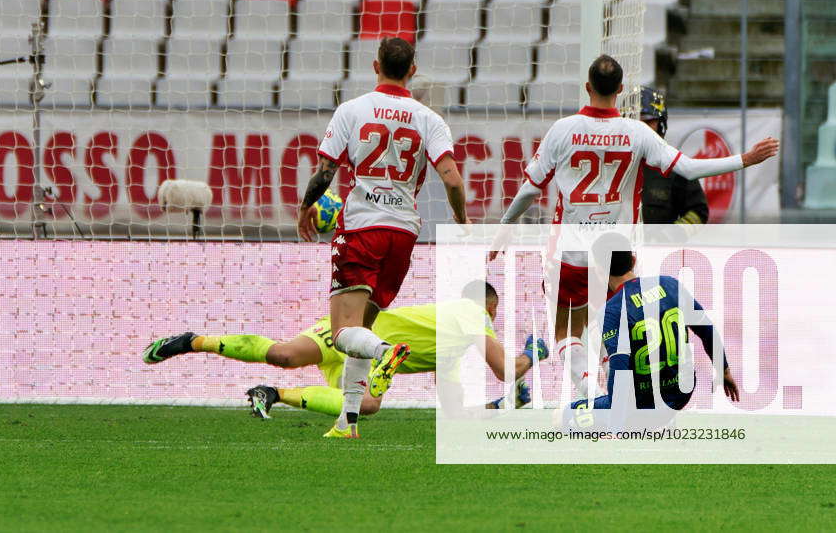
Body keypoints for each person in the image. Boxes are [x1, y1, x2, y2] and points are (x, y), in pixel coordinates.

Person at [492, 55, 777, 398]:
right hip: (616, 252)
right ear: (621, 91)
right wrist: (743, 160)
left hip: (569, 253)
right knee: (617, 327)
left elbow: (529, 188)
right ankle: (625, 390)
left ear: (587, 87)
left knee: (565, 331)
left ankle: (588, 395)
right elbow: (687, 168)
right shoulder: (636, 132)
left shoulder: (562, 130)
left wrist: (504, 227)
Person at [294, 37, 468, 439]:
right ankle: (347, 422)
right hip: (403, 234)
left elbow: (325, 171)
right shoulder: (429, 119)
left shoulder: (352, 110)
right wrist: (461, 218)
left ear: (376, 67)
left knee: (342, 335)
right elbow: (452, 179)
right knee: (364, 324)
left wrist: (307, 205)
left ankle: (384, 352)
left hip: (362, 228)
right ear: (412, 70)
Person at [141, 281, 548, 418]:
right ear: (488, 306)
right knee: (285, 355)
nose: (492, 322)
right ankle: (192, 341)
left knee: (367, 407)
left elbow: (455, 412)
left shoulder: (451, 347)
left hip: (364, 359)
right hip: (351, 332)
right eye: (493, 313)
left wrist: (503, 404)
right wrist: (535, 352)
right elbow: (505, 367)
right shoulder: (469, 311)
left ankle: (273, 395)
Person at [565, 240, 738, 430]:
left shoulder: (611, 310)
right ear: (633, 260)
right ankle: (653, 422)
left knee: (564, 416)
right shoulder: (670, 284)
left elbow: (620, 371)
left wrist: (614, 420)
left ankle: (637, 424)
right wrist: (724, 370)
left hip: (643, 404)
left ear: (600, 271)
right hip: (682, 393)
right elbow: (706, 329)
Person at [639, 87, 709, 226]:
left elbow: (698, 211)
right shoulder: (614, 163)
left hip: (660, 247)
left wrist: (670, 236)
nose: (641, 127)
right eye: (636, 121)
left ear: (661, 124)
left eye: (648, 121)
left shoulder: (675, 166)